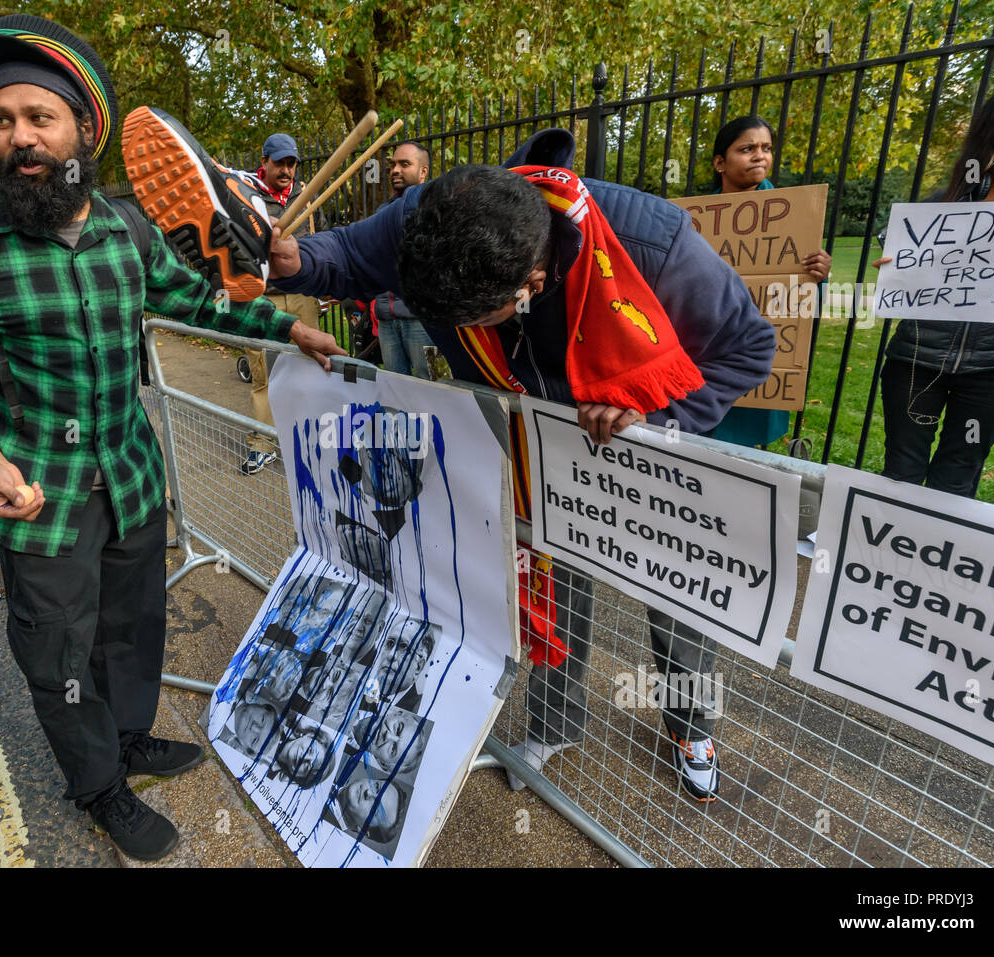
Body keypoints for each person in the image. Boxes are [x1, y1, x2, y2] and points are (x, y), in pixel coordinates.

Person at [0, 14, 342, 862]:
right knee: (58, 647)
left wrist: (285, 331)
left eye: (41, 118)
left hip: (133, 478)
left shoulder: (128, 233)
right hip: (42, 501)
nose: (21, 139)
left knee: (135, 621)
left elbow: (203, 301)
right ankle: (100, 783)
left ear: (82, 130)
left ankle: (133, 733)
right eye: (4, 122)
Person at [268, 126, 775, 803]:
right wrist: (288, 256)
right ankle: (556, 722)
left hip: (652, 440)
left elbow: (747, 347)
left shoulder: (654, 242)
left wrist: (651, 422)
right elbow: (344, 256)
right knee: (552, 570)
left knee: (671, 587)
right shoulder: (428, 222)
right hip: (550, 446)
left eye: (478, 318)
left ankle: (690, 724)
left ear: (531, 283)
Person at [877, 86, 994, 497]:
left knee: (959, 472)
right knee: (901, 469)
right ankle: (882, 555)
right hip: (918, 359)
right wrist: (895, 263)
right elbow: (900, 253)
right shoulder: (944, 204)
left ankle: (935, 559)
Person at [707, 116, 831, 449]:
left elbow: (803, 305)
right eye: (747, 148)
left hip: (757, 355)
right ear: (720, 162)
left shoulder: (795, 217)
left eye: (766, 148)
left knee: (740, 459)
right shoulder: (698, 216)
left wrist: (819, 276)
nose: (759, 156)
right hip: (706, 352)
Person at [239, 133, 329, 473]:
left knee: (311, 368)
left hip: (304, 297)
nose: (287, 170)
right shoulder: (246, 196)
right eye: (280, 163)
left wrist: (325, 282)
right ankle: (262, 443)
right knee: (264, 374)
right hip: (263, 300)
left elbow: (322, 238)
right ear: (265, 161)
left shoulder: (307, 195)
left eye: (292, 163)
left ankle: (309, 439)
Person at [368, 141, 437, 379]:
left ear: (423, 171)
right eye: (393, 164)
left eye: (404, 164)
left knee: (429, 390)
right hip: (387, 321)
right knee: (395, 393)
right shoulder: (382, 212)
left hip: (422, 322)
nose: (395, 170)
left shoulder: (436, 208)